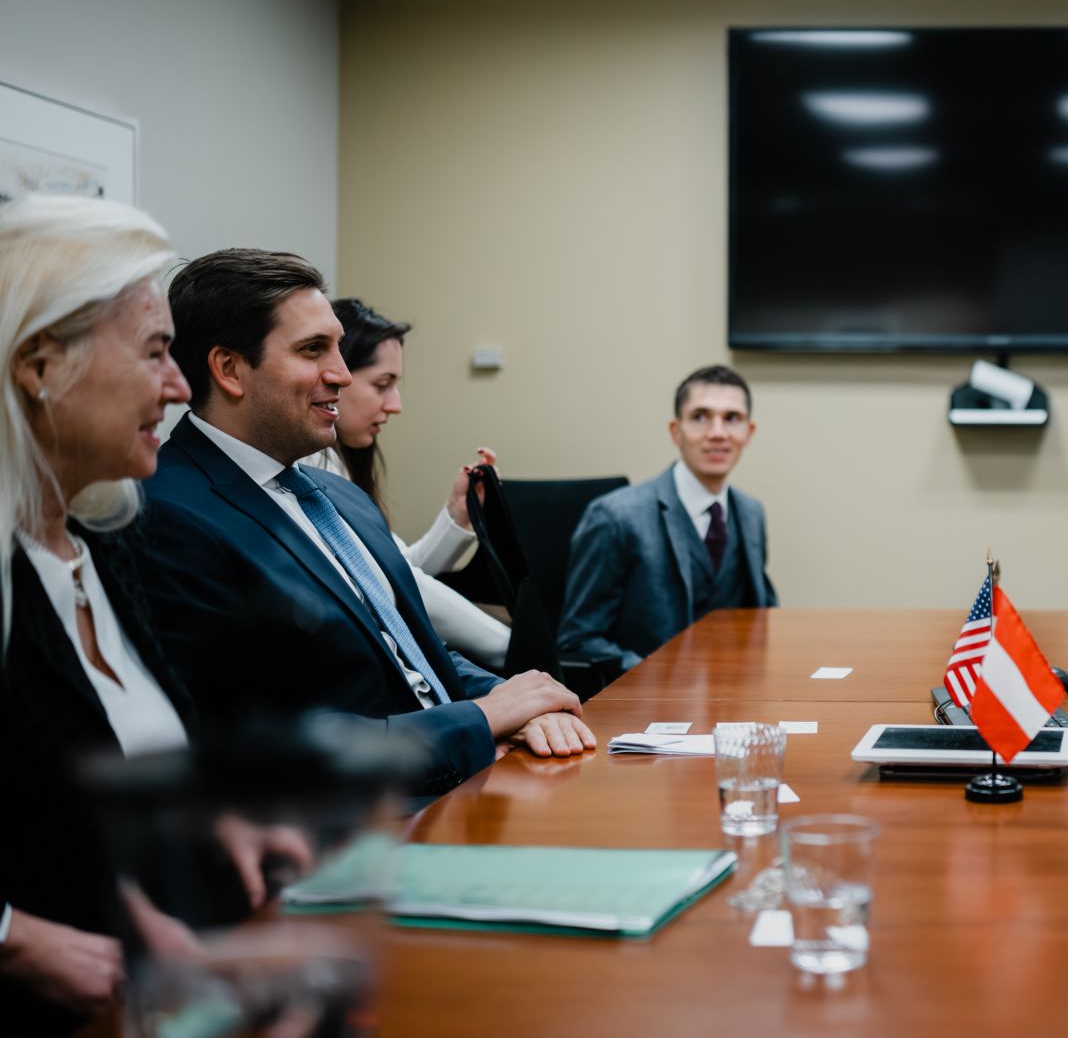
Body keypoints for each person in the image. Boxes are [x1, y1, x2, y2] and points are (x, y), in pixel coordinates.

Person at [138, 249, 592, 797]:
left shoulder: (340, 498)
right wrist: (482, 718)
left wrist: (521, 702)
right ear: (229, 368)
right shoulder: (167, 515)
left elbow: (411, 654)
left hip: (467, 781)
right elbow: (264, 749)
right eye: (313, 350)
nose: (342, 375)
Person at [0, 195, 198, 1031]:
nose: (179, 387)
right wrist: (10, 936)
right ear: (40, 364)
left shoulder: (103, 548)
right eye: (156, 351)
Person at [303, 298, 508, 668]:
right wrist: (512, 646)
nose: (395, 404)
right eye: (383, 385)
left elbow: (395, 570)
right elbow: (401, 581)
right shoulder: (313, 465)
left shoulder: (333, 461)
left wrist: (456, 515)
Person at [556, 365, 777, 677]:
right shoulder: (616, 516)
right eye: (700, 416)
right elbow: (577, 640)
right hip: (648, 705)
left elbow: (762, 616)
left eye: (732, 418)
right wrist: (662, 673)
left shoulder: (751, 512)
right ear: (676, 431)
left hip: (737, 698)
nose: (717, 433)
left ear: (749, 432)